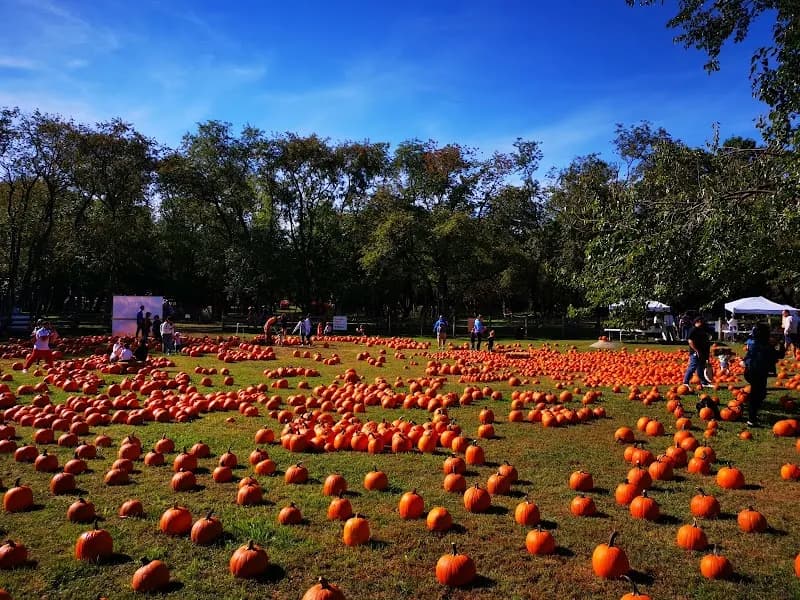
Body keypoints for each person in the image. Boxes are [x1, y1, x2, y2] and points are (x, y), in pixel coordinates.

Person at [743, 322, 780, 427]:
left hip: (754, 372)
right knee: (756, 395)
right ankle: (751, 419)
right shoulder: (764, 346)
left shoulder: (754, 343)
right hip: (755, 372)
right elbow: (777, 355)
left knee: (761, 393)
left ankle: (753, 408)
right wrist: (779, 345)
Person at [683, 316, 713, 388]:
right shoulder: (693, 330)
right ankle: (685, 382)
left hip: (703, 351)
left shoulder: (701, 329)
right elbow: (690, 341)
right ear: (698, 321)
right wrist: (696, 350)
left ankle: (704, 382)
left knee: (700, 367)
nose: (703, 323)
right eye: (702, 321)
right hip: (695, 352)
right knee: (693, 366)